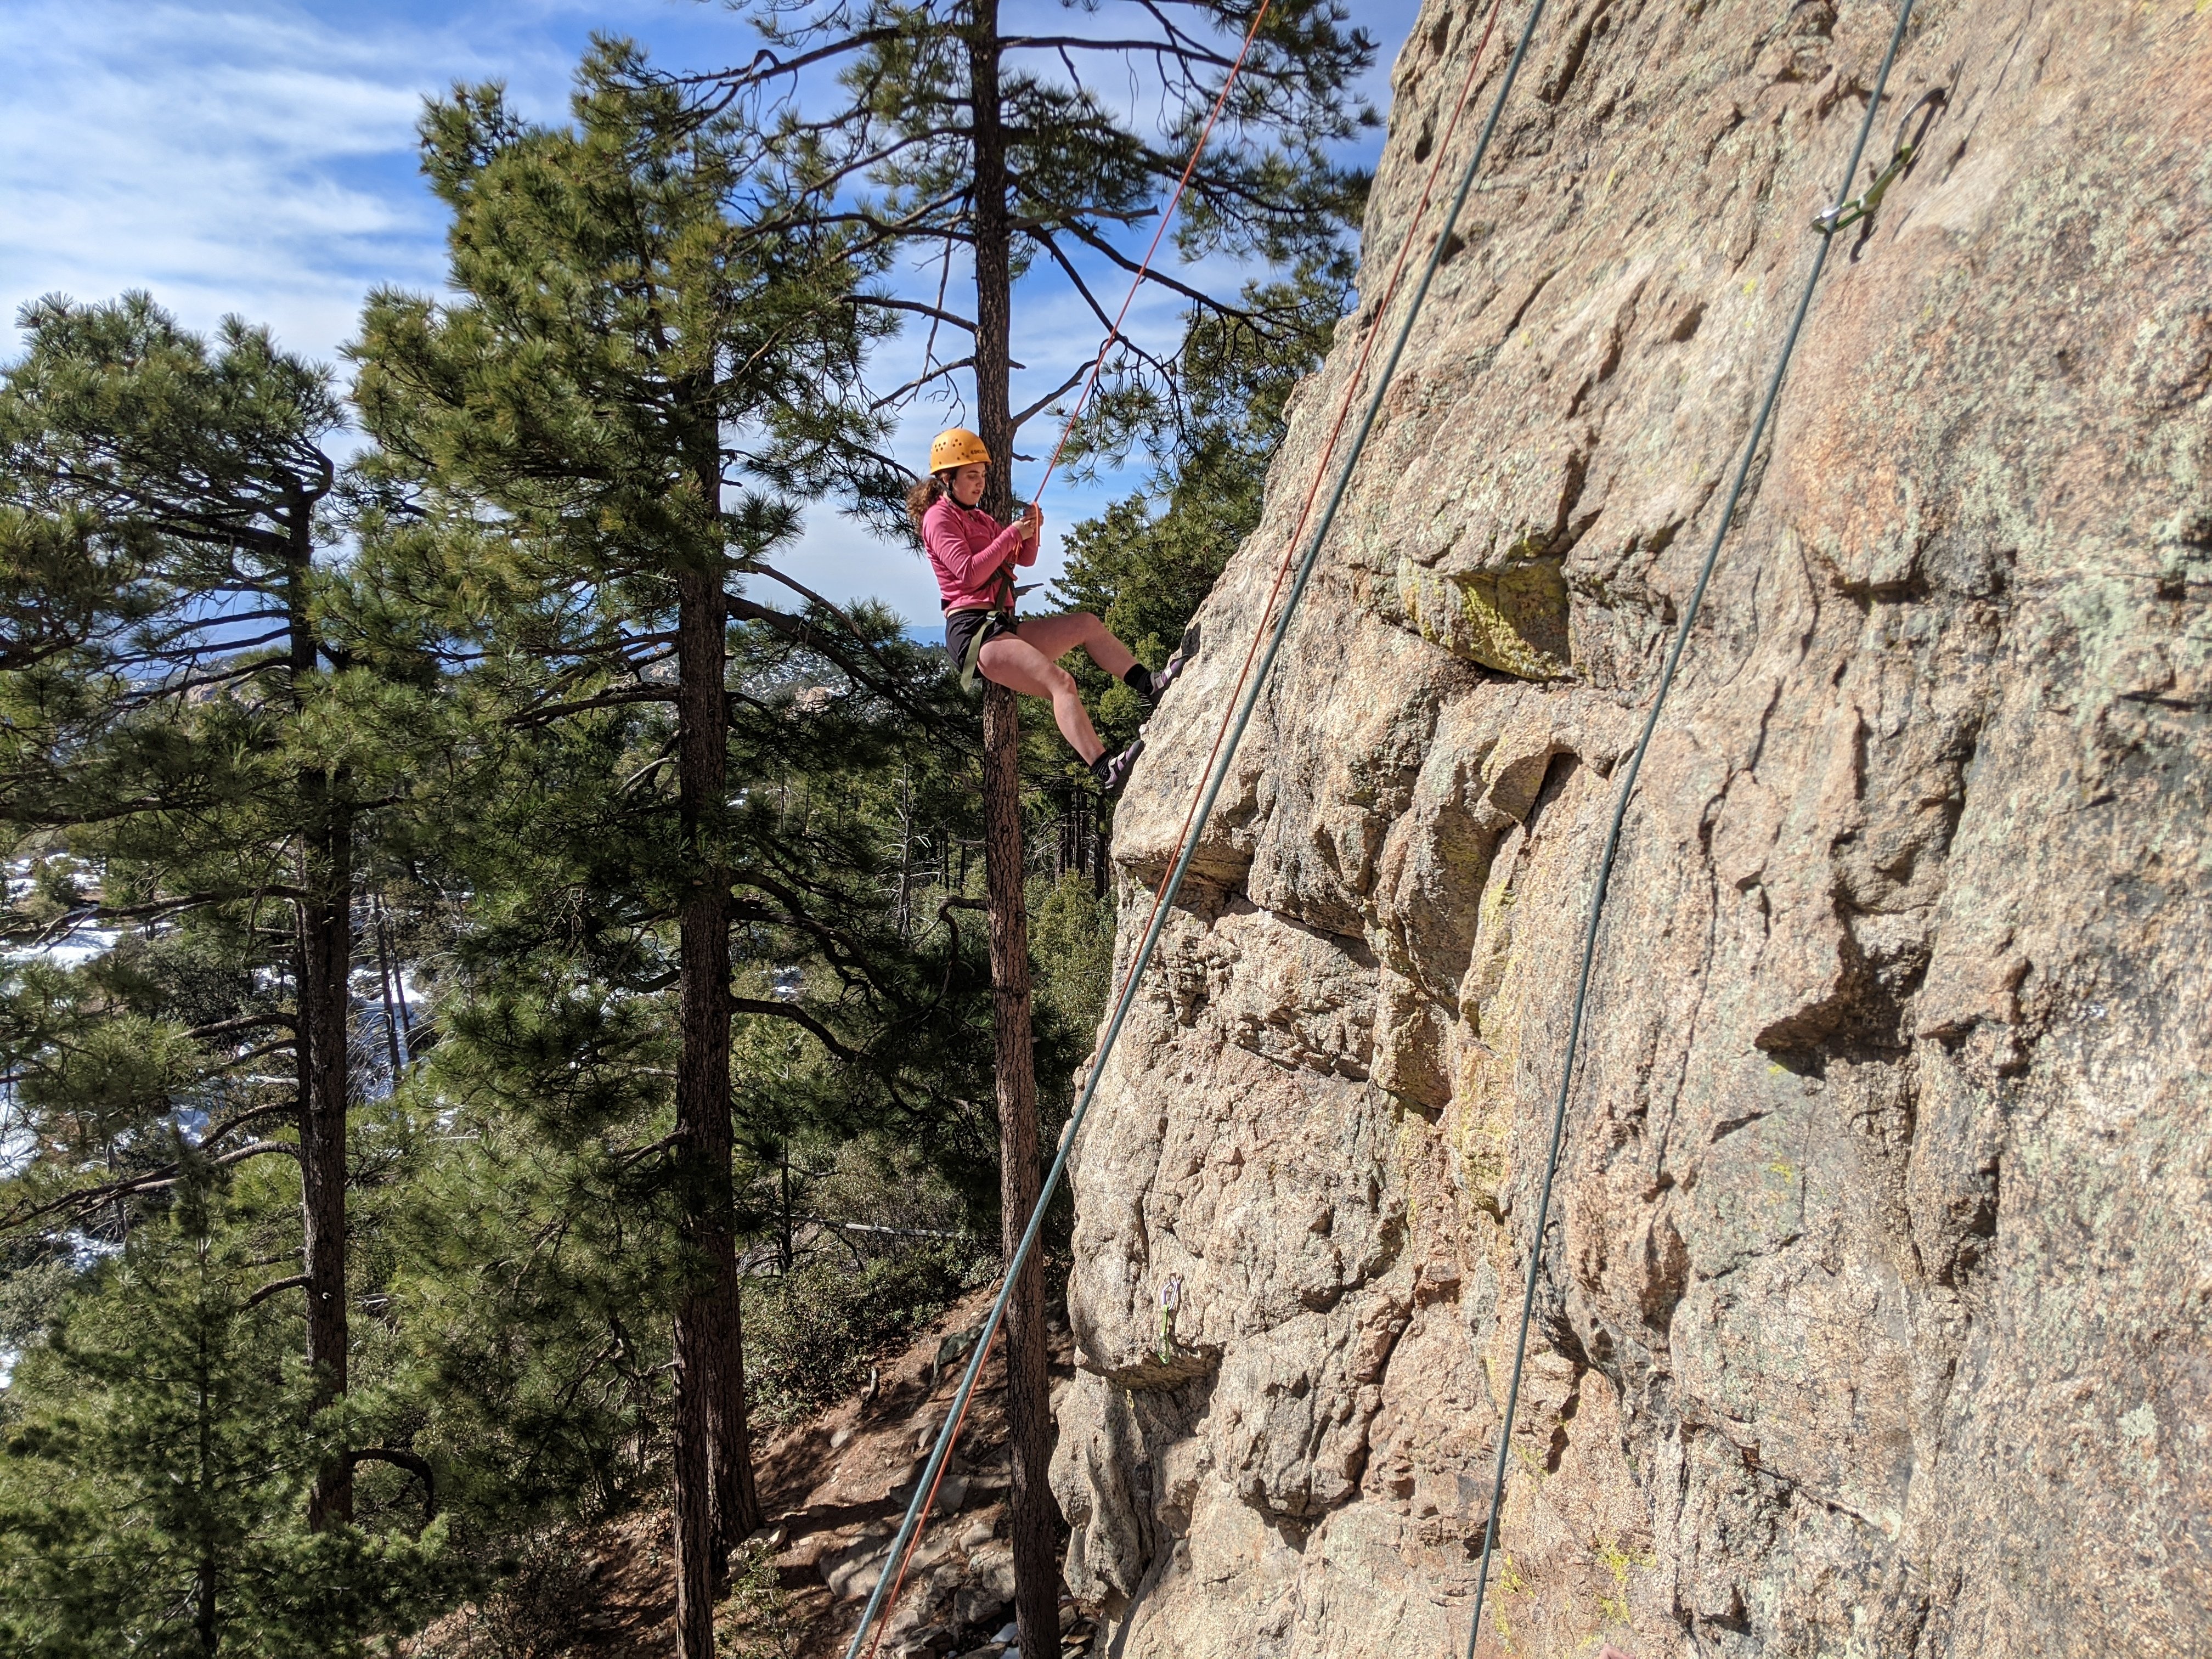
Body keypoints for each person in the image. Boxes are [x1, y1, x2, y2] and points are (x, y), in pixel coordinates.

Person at [911, 427, 1187, 794]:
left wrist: (1032, 529)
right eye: (972, 476)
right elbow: (968, 572)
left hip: (1000, 624)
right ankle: (1106, 770)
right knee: (1061, 683)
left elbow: (1024, 558)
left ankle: (1148, 685)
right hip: (974, 633)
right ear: (947, 479)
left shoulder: (979, 519)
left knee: (1087, 625)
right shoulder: (938, 518)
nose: (980, 484)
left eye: (982, 475)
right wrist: (1012, 533)